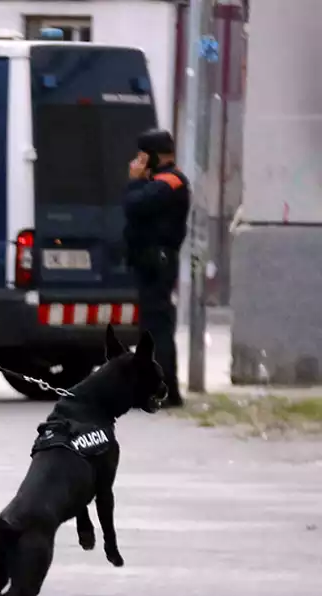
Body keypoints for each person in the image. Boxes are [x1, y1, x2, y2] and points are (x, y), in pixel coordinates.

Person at [124, 128, 189, 407]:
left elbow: (135, 205)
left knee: (157, 328)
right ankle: (156, 387)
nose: (138, 162)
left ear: (154, 156)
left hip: (158, 262)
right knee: (151, 327)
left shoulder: (169, 182)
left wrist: (134, 182)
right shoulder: (161, 181)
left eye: (142, 156)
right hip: (151, 261)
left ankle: (165, 390)